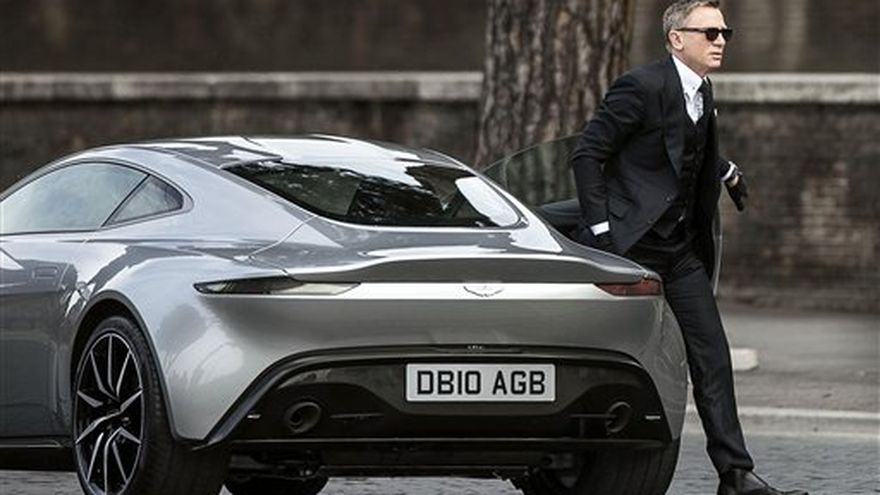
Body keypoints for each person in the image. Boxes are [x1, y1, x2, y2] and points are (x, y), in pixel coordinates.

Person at [570, 1, 807, 494]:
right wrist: (602, 233)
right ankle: (579, 464)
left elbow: (681, 146)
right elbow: (588, 153)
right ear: (677, 38)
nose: (720, 41)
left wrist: (725, 169)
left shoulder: (701, 89)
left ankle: (735, 475)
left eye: (724, 32)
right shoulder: (641, 86)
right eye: (709, 32)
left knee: (712, 357)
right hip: (631, 247)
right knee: (616, 355)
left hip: (678, 251)